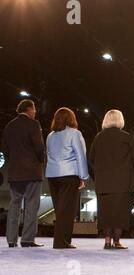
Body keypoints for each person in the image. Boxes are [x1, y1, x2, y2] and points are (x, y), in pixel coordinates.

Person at [89, 110, 134, 250]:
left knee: (105, 213)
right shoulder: (127, 137)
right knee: (120, 214)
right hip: (123, 183)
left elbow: (91, 158)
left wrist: (99, 172)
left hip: (103, 182)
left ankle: (106, 241)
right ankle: (117, 242)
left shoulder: (99, 137)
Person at [1, 99, 45, 248]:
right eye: (34, 109)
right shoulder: (34, 124)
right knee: (31, 205)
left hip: (14, 172)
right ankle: (27, 239)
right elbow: (39, 148)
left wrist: (14, 160)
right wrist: (40, 160)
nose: (35, 112)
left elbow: (5, 149)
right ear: (29, 109)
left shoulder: (9, 126)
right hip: (32, 171)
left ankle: (11, 240)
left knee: (14, 205)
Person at [46, 107, 89, 249]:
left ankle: (62, 241)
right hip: (69, 174)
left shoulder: (50, 136)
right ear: (71, 119)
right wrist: (83, 176)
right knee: (67, 210)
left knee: (60, 210)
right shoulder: (75, 133)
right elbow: (80, 155)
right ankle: (61, 242)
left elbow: (48, 155)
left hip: (52, 175)